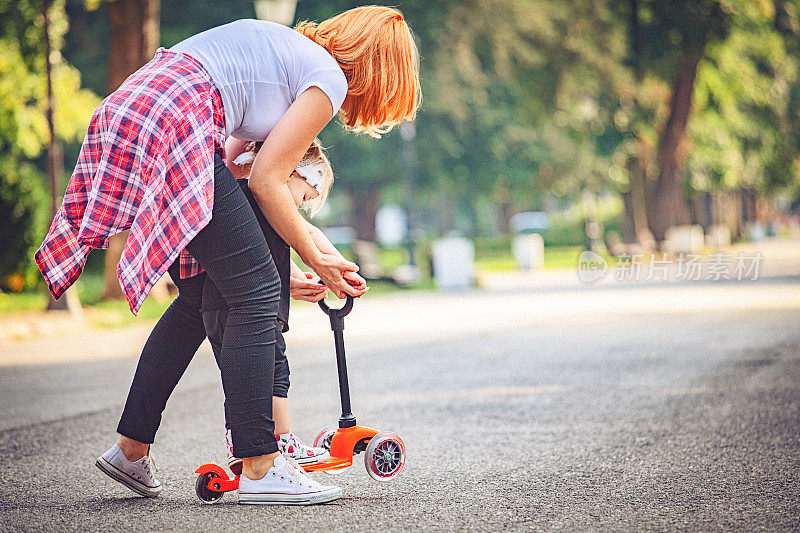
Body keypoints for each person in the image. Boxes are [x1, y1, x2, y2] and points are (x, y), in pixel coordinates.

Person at [36, 6, 419, 506]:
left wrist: (305, 261)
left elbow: (240, 175)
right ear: (380, 72)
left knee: (199, 301)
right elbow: (266, 182)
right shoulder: (326, 78)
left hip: (138, 108)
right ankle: (261, 464)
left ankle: (130, 450)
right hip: (176, 119)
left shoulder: (283, 61)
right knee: (257, 294)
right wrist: (312, 261)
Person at [205, 140, 364, 476]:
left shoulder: (235, 200)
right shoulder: (268, 197)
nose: (300, 208)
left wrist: (299, 274)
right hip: (255, 312)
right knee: (274, 372)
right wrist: (342, 268)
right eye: (305, 196)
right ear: (291, 171)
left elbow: (270, 245)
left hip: (217, 305)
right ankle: (283, 442)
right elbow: (307, 232)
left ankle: (241, 443)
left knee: (238, 377)